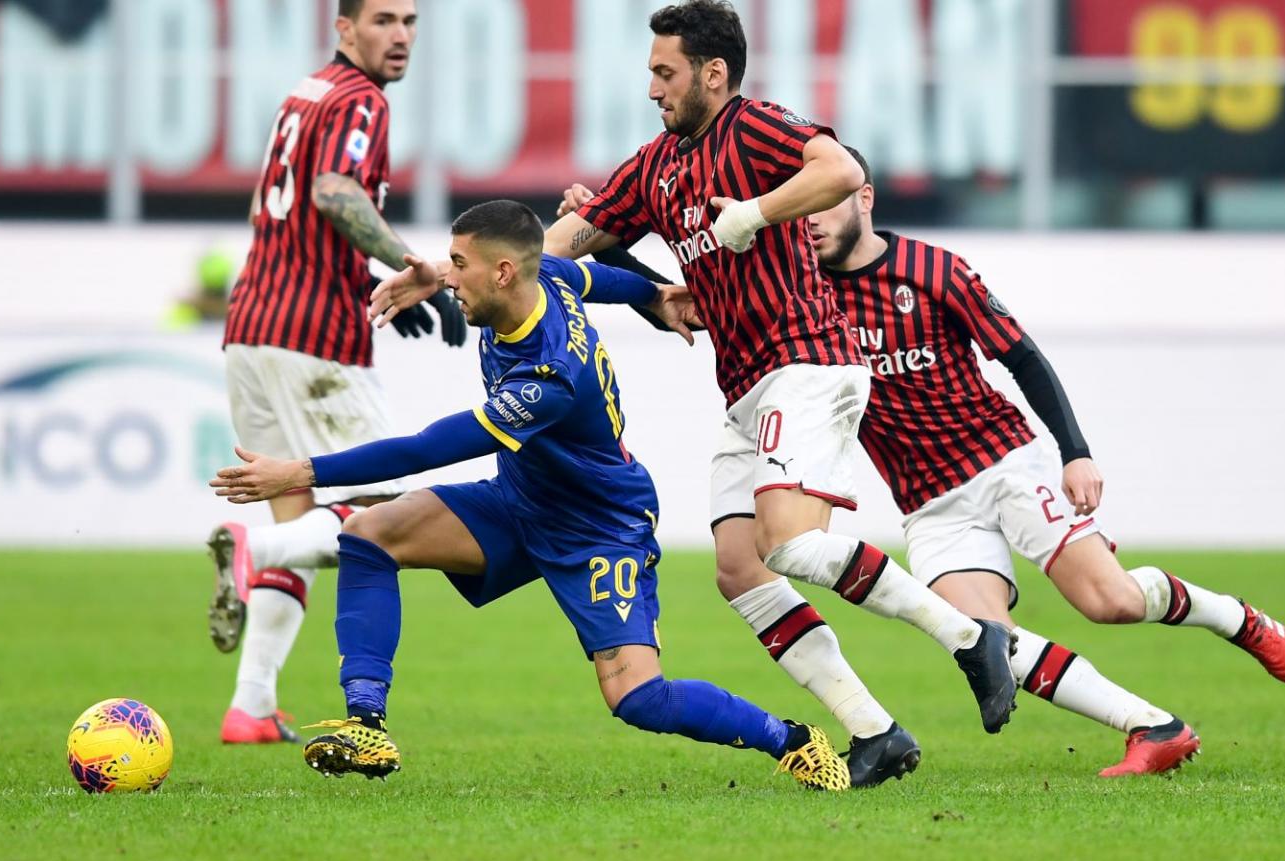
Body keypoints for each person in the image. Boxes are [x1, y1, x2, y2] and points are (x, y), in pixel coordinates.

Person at [378, 0, 1016, 788]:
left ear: (714, 73)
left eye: (664, 72)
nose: (653, 88)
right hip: (748, 383)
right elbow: (548, 252)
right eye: (651, 72)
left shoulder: (755, 130)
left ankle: (967, 637)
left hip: (809, 361)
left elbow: (840, 171)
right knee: (740, 568)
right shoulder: (656, 166)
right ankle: (874, 731)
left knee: (788, 542)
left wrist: (755, 210)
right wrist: (444, 273)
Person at [208, 200, 850, 791]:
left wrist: (301, 473)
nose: (450, 279)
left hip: (600, 525)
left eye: (459, 266)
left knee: (639, 700)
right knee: (367, 537)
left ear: (505, 272)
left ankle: (791, 740)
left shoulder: (550, 377)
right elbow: (599, 278)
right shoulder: (551, 279)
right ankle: (367, 727)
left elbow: (430, 447)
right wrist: (656, 294)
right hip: (520, 501)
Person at [805, 145, 1285, 774]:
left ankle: (1236, 618)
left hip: (1006, 461)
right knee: (985, 640)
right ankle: (1154, 727)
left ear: (865, 198)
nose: (812, 219)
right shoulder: (802, 295)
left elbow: (1023, 358)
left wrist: (1076, 455)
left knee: (1112, 602)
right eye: (803, 207)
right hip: (930, 504)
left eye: (826, 201)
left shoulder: (933, 270)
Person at [212, 0, 465, 745]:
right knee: (388, 517)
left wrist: (363, 282)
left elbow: (297, 219)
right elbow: (332, 193)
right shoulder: (361, 101)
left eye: (411, 22)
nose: (400, 36)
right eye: (383, 19)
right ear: (343, 26)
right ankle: (249, 550)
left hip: (251, 330)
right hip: (313, 341)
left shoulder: (307, 92)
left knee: (306, 523)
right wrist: (412, 267)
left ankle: (251, 704)